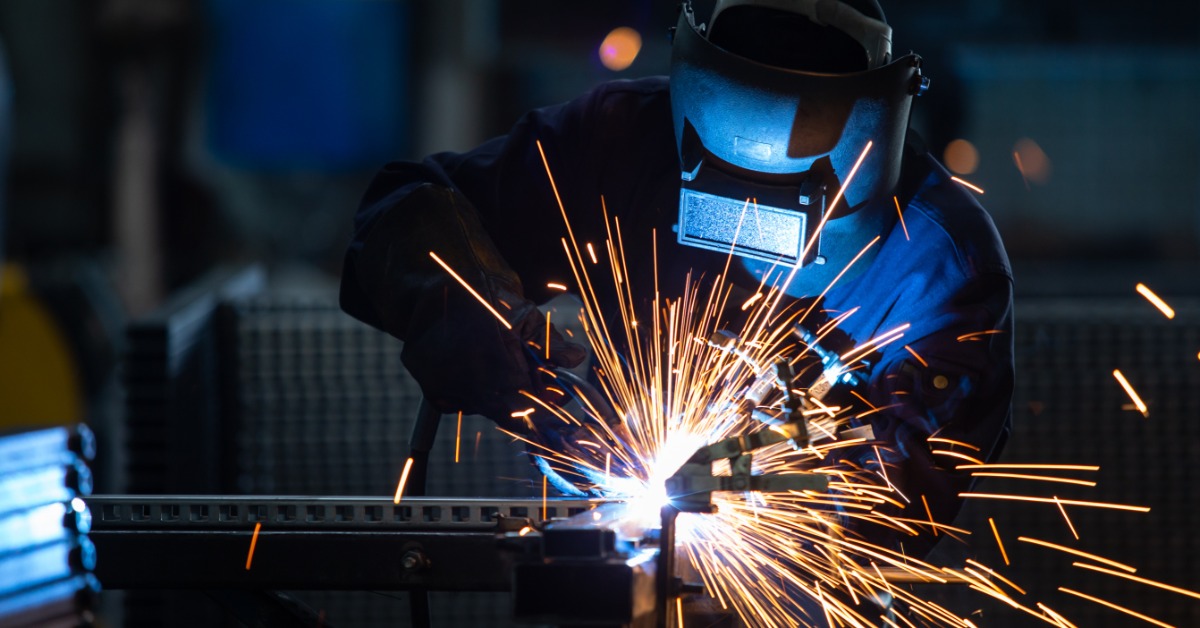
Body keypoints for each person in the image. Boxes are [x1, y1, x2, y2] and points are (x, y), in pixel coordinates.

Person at [341, 0, 1012, 576]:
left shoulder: (939, 260)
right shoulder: (617, 141)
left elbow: (908, 493)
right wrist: (483, 324)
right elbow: (406, 207)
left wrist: (770, 470)